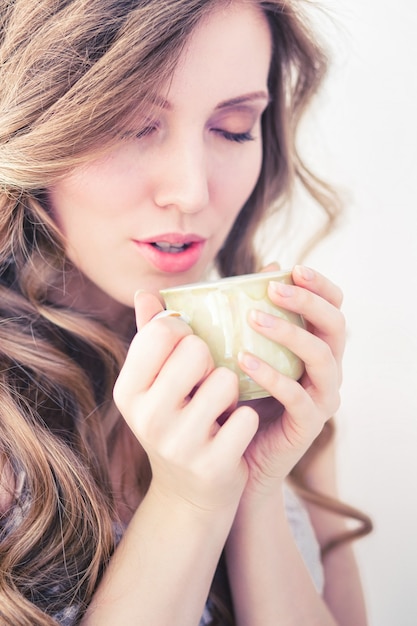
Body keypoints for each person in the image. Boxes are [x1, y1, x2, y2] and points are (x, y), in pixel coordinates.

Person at [0, 0, 372, 624]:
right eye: (128, 125)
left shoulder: (279, 388)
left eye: (233, 128)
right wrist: (187, 503)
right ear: (36, 128)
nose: (192, 191)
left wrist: (256, 489)